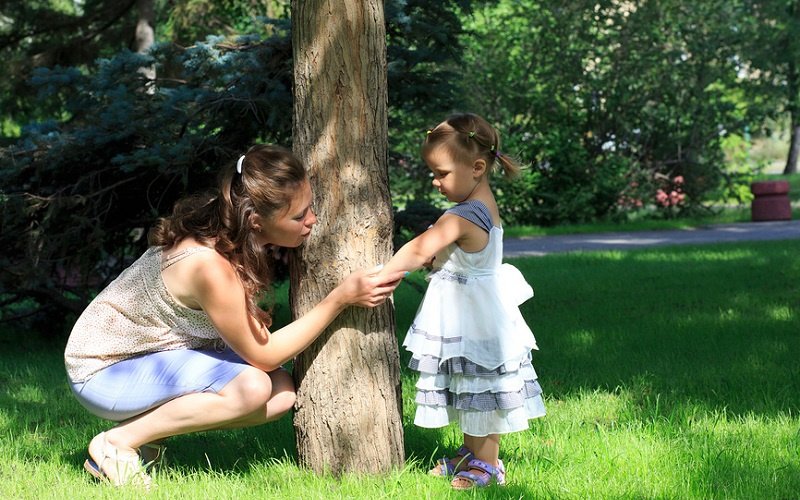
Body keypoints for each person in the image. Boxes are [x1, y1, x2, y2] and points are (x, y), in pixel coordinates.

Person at [64, 144, 405, 487]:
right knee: (252, 388)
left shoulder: (224, 227)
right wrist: (339, 300)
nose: (312, 220)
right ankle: (116, 444)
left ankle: (146, 437)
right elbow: (265, 353)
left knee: (281, 393)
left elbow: (264, 353)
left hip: (150, 354)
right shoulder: (208, 266)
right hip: (102, 371)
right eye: (299, 216)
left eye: (310, 207)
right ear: (256, 220)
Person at [376, 113, 545, 490]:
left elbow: (421, 248)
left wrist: (382, 274)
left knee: (482, 387)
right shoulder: (481, 202)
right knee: (468, 385)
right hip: (470, 313)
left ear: (477, 167)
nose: (435, 182)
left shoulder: (464, 214)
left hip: (477, 318)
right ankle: (471, 454)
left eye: (442, 173)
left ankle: (488, 464)